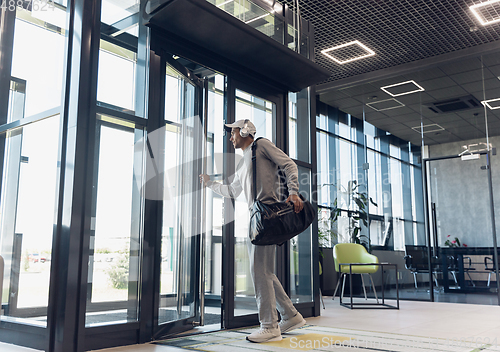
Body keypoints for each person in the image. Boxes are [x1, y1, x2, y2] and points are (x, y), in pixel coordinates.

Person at [199, 119, 306, 343]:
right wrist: (210, 183)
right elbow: (232, 190)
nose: (231, 137)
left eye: (233, 132)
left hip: (268, 217)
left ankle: (269, 325)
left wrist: (294, 192)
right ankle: (290, 315)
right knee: (265, 271)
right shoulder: (243, 162)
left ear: (245, 130)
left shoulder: (261, 145)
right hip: (256, 220)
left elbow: (289, 165)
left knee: (260, 272)